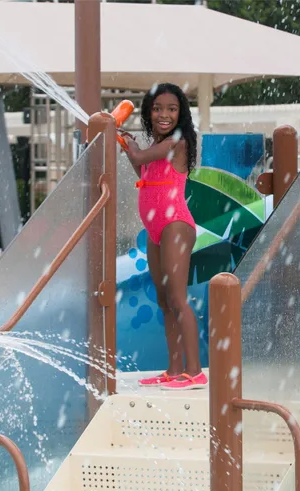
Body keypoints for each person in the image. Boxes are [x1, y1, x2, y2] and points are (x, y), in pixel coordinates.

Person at [122, 83, 206, 391]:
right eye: (157, 108)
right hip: (156, 229)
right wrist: (129, 146)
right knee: (164, 300)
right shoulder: (157, 147)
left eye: (172, 109)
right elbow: (142, 171)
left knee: (177, 298)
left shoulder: (177, 143)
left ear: (181, 114)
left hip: (175, 225)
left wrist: (126, 142)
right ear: (148, 112)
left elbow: (138, 157)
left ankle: (195, 372)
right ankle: (174, 370)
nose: (164, 114)